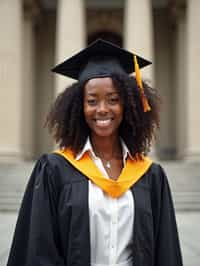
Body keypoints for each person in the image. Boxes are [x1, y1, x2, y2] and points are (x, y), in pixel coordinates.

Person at [7, 39, 183, 266]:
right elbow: (39, 248)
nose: (102, 109)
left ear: (127, 105)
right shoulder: (54, 170)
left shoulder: (150, 175)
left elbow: (165, 250)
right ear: (79, 107)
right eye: (92, 101)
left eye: (113, 100)